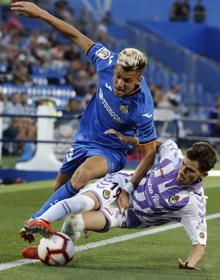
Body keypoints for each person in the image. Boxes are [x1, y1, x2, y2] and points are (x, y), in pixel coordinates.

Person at [11, 2, 157, 225]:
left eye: (127, 81)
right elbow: (74, 34)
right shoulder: (107, 60)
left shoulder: (142, 107)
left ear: (139, 79)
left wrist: (129, 186)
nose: (119, 83)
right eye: (117, 76)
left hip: (110, 150)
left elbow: (149, 153)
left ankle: (36, 221)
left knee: (81, 176)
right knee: (59, 185)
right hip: (84, 137)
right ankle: (54, 233)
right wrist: (41, 13)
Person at [21, 135, 217, 270]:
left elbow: (199, 244)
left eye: (190, 171)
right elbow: (154, 143)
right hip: (121, 185)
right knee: (83, 203)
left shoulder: (192, 202)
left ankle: (46, 249)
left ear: (203, 175)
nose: (182, 171)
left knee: (75, 222)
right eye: (184, 165)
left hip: (128, 215)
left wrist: (190, 265)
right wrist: (130, 140)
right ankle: (39, 223)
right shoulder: (174, 156)